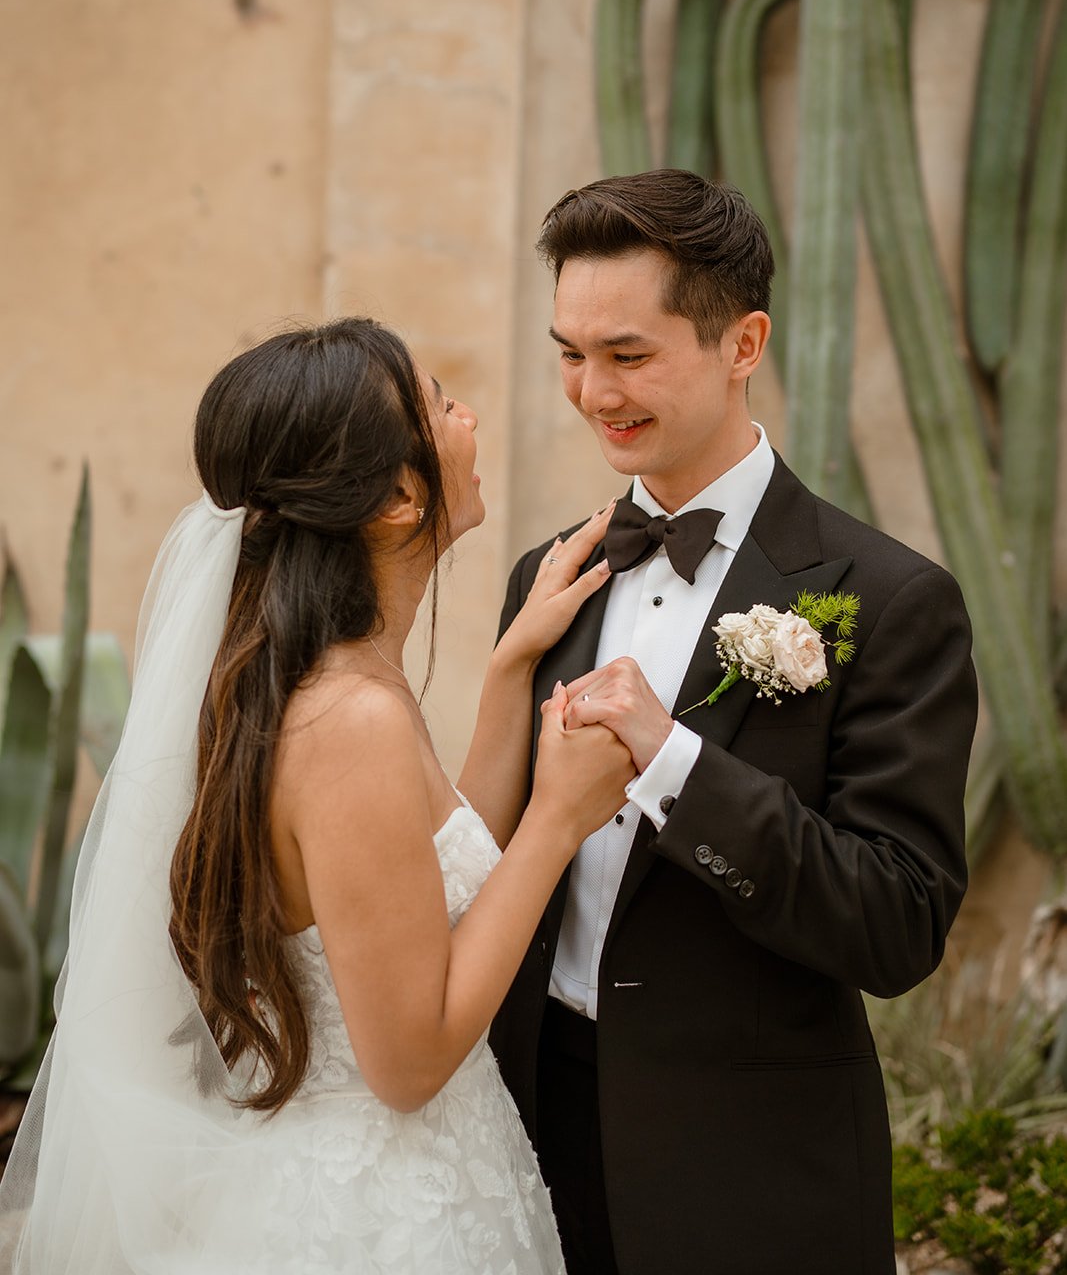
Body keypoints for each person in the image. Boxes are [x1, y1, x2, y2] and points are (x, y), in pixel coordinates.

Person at [0, 317, 636, 1275]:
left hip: (402, 1184)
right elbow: (409, 1061)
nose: (467, 417)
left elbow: (418, 888)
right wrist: (556, 821)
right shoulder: (350, 723)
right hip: (380, 1225)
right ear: (398, 497)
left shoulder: (327, 684)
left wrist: (511, 672)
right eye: (440, 403)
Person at [490, 169, 978, 1275]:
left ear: (741, 341)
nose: (591, 391)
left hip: (746, 1169)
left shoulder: (886, 599)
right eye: (570, 353)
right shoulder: (546, 572)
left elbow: (895, 925)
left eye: (627, 354)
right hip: (525, 1131)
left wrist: (672, 760)